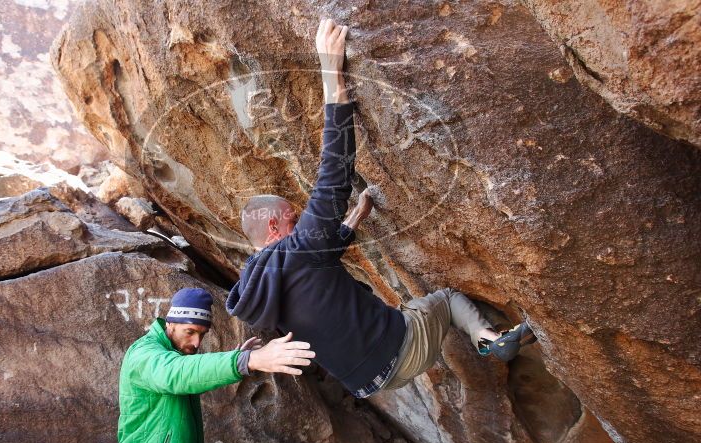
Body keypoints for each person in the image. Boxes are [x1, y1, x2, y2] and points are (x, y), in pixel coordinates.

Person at [226, 19, 535, 400]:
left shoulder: (258, 289)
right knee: (447, 298)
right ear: (274, 225)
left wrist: (359, 212)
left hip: (368, 383)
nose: (301, 216)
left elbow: (327, 252)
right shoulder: (299, 250)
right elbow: (333, 173)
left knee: (407, 309)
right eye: (293, 216)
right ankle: (491, 339)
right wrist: (330, 74)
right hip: (400, 350)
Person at [106, 287, 314, 443]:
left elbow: (193, 373)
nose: (196, 342)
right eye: (190, 331)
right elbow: (176, 373)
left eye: (202, 334)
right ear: (170, 322)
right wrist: (246, 360)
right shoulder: (146, 354)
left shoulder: (172, 351)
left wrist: (237, 356)